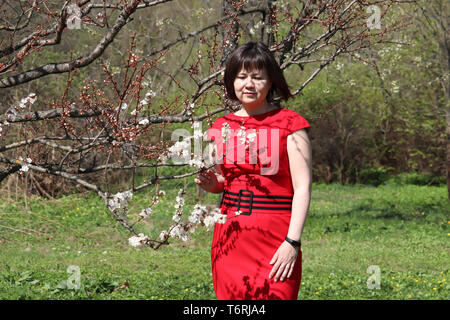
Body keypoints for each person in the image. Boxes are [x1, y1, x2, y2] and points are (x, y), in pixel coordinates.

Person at [195, 41, 312, 300]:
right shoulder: (221, 126)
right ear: (231, 81)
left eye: (258, 77)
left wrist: (292, 242)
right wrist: (209, 183)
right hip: (230, 238)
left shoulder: (291, 124)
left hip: (276, 239)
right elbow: (223, 182)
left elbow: (303, 188)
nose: (249, 84)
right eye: (242, 76)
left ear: (271, 83)